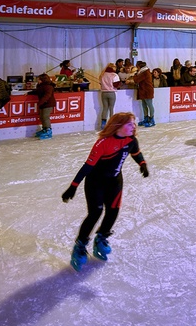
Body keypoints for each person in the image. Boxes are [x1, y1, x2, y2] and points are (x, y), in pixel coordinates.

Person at [60, 112, 149, 271]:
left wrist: (142, 163)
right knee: (95, 213)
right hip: (96, 183)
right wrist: (73, 186)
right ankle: (80, 245)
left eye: (133, 123)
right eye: (129, 124)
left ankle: (101, 237)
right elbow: (87, 166)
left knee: (113, 211)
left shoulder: (131, 140)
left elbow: (136, 152)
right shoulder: (103, 143)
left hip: (115, 182)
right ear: (118, 126)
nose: (133, 126)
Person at [32, 73, 56, 140]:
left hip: (48, 104)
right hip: (43, 104)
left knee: (45, 117)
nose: (38, 81)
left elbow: (47, 96)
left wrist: (40, 102)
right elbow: (37, 92)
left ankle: (48, 131)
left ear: (43, 80)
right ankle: (44, 129)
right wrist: (29, 93)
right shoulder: (41, 86)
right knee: (42, 117)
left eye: (39, 79)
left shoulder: (49, 86)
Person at [133, 61, 155, 127]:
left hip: (147, 91)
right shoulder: (142, 72)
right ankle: (146, 118)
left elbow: (136, 80)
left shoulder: (144, 72)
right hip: (143, 91)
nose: (136, 68)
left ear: (139, 66)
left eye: (137, 66)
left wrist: (135, 74)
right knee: (144, 105)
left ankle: (152, 120)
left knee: (149, 105)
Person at [99, 63, 120, 129]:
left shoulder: (102, 75)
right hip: (111, 92)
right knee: (111, 108)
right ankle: (112, 124)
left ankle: (103, 124)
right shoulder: (114, 75)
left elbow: (100, 83)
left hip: (103, 93)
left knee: (105, 108)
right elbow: (116, 85)